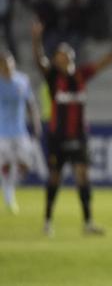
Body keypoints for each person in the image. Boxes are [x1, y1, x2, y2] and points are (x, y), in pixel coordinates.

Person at [31, 18, 112, 236]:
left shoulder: (81, 75)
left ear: (71, 57)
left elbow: (108, 59)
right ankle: (47, 221)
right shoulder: (52, 77)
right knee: (55, 179)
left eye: (65, 55)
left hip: (79, 136)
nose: (62, 59)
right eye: (59, 56)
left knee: (83, 177)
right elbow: (39, 60)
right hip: (58, 137)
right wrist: (36, 38)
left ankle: (88, 222)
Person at [0, 50, 41, 214]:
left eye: (9, 63)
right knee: (7, 164)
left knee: (25, 164)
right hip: (2, 132)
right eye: (4, 64)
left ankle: (9, 187)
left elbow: (31, 104)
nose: (7, 67)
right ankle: (9, 196)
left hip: (20, 131)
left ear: (13, 64)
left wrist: (36, 124)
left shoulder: (22, 81)